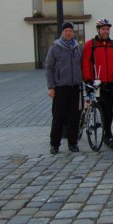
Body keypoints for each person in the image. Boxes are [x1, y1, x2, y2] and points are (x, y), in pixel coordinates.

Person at [82, 18, 113, 149]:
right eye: (103, 29)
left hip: (111, 83)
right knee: (102, 109)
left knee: (109, 110)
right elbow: (86, 63)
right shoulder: (90, 45)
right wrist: (88, 79)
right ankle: (107, 135)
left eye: (107, 29)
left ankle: (107, 134)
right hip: (97, 84)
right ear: (98, 30)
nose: (105, 31)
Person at [46, 22, 83, 154]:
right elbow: (49, 68)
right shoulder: (55, 49)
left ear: (73, 32)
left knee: (74, 117)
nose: (68, 33)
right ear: (62, 32)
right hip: (60, 87)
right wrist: (51, 87)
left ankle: (73, 143)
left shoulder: (78, 48)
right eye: (66, 30)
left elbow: (82, 65)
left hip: (75, 87)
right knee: (58, 117)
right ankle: (54, 144)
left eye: (70, 31)